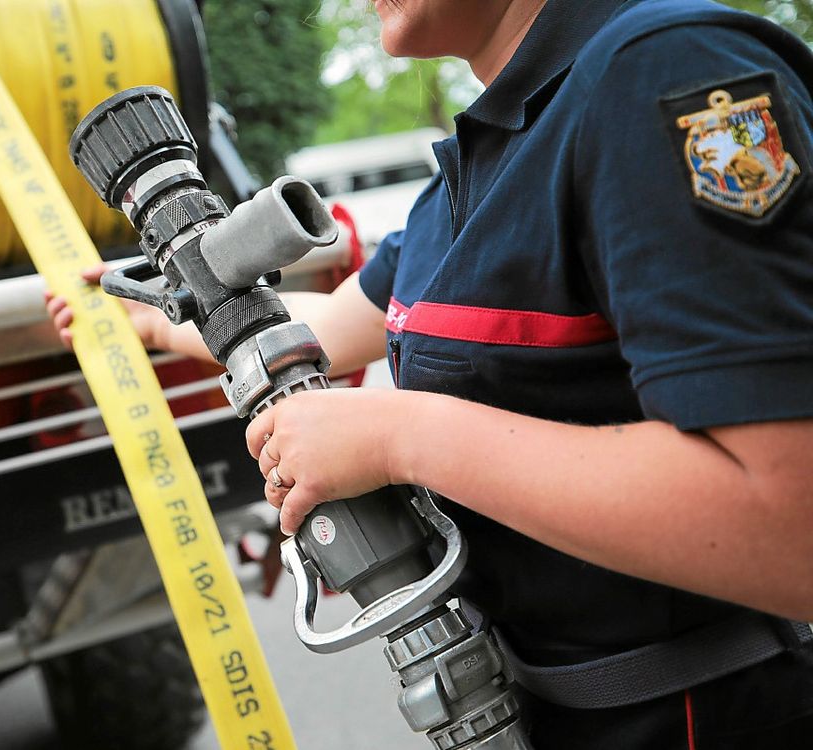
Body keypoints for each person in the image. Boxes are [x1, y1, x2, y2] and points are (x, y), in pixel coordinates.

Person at [48, 0, 813, 745]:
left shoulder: (662, 71)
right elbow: (317, 331)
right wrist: (142, 319)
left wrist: (399, 437)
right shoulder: (482, 155)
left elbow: (790, 530)